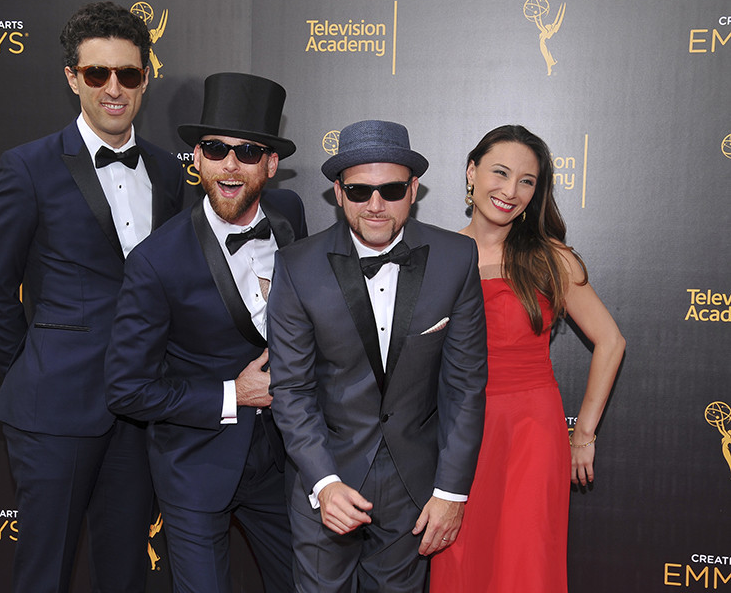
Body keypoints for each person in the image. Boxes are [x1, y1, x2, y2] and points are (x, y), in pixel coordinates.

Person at [0, 2, 184, 592]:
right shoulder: (26, 168)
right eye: (97, 74)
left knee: (124, 573)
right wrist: (29, 374)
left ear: (146, 76)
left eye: (129, 74)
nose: (114, 88)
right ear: (73, 78)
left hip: (142, 413)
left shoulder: (169, 174)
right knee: (45, 572)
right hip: (55, 410)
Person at [105, 72, 306, 593]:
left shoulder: (290, 217)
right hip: (196, 465)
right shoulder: (157, 261)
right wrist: (232, 394)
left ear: (271, 163)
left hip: (285, 463)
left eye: (248, 151)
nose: (231, 165)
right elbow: (127, 387)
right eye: (216, 149)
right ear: (196, 158)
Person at [267, 119, 487, 592]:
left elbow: (465, 386)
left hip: (415, 487)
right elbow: (291, 389)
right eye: (360, 190)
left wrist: (451, 492)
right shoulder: (296, 266)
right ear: (338, 192)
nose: (375, 205)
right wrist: (323, 482)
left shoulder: (456, 258)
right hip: (327, 475)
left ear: (413, 189)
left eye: (390, 189)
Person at [428, 124, 626, 592]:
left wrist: (584, 436)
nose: (510, 191)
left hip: (530, 432)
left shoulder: (549, 257)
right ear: (472, 172)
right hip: (458, 432)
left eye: (527, 181)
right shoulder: (434, 254)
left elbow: (611, 341)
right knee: (460, 561)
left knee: (525, 563)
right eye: (500, 173)